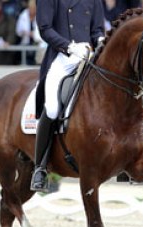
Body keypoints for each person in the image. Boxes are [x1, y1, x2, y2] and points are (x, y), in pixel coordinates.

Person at [31, 0, 105, 192]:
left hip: (89, 56)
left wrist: (100, 41)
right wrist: (68, 47)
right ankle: (40, 167)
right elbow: (45, 28)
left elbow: (96, 29)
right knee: (54, 108)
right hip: (62, 57)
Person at [16, 0, 45, 65]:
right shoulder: (23, 15)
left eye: (34, 8)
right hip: (25, 43)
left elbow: (40, 33)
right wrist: (27, 33)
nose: (32, 10)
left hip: (37, 45)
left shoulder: (40, 15)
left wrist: (33, 34)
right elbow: (18, 31)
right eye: (30, 8)